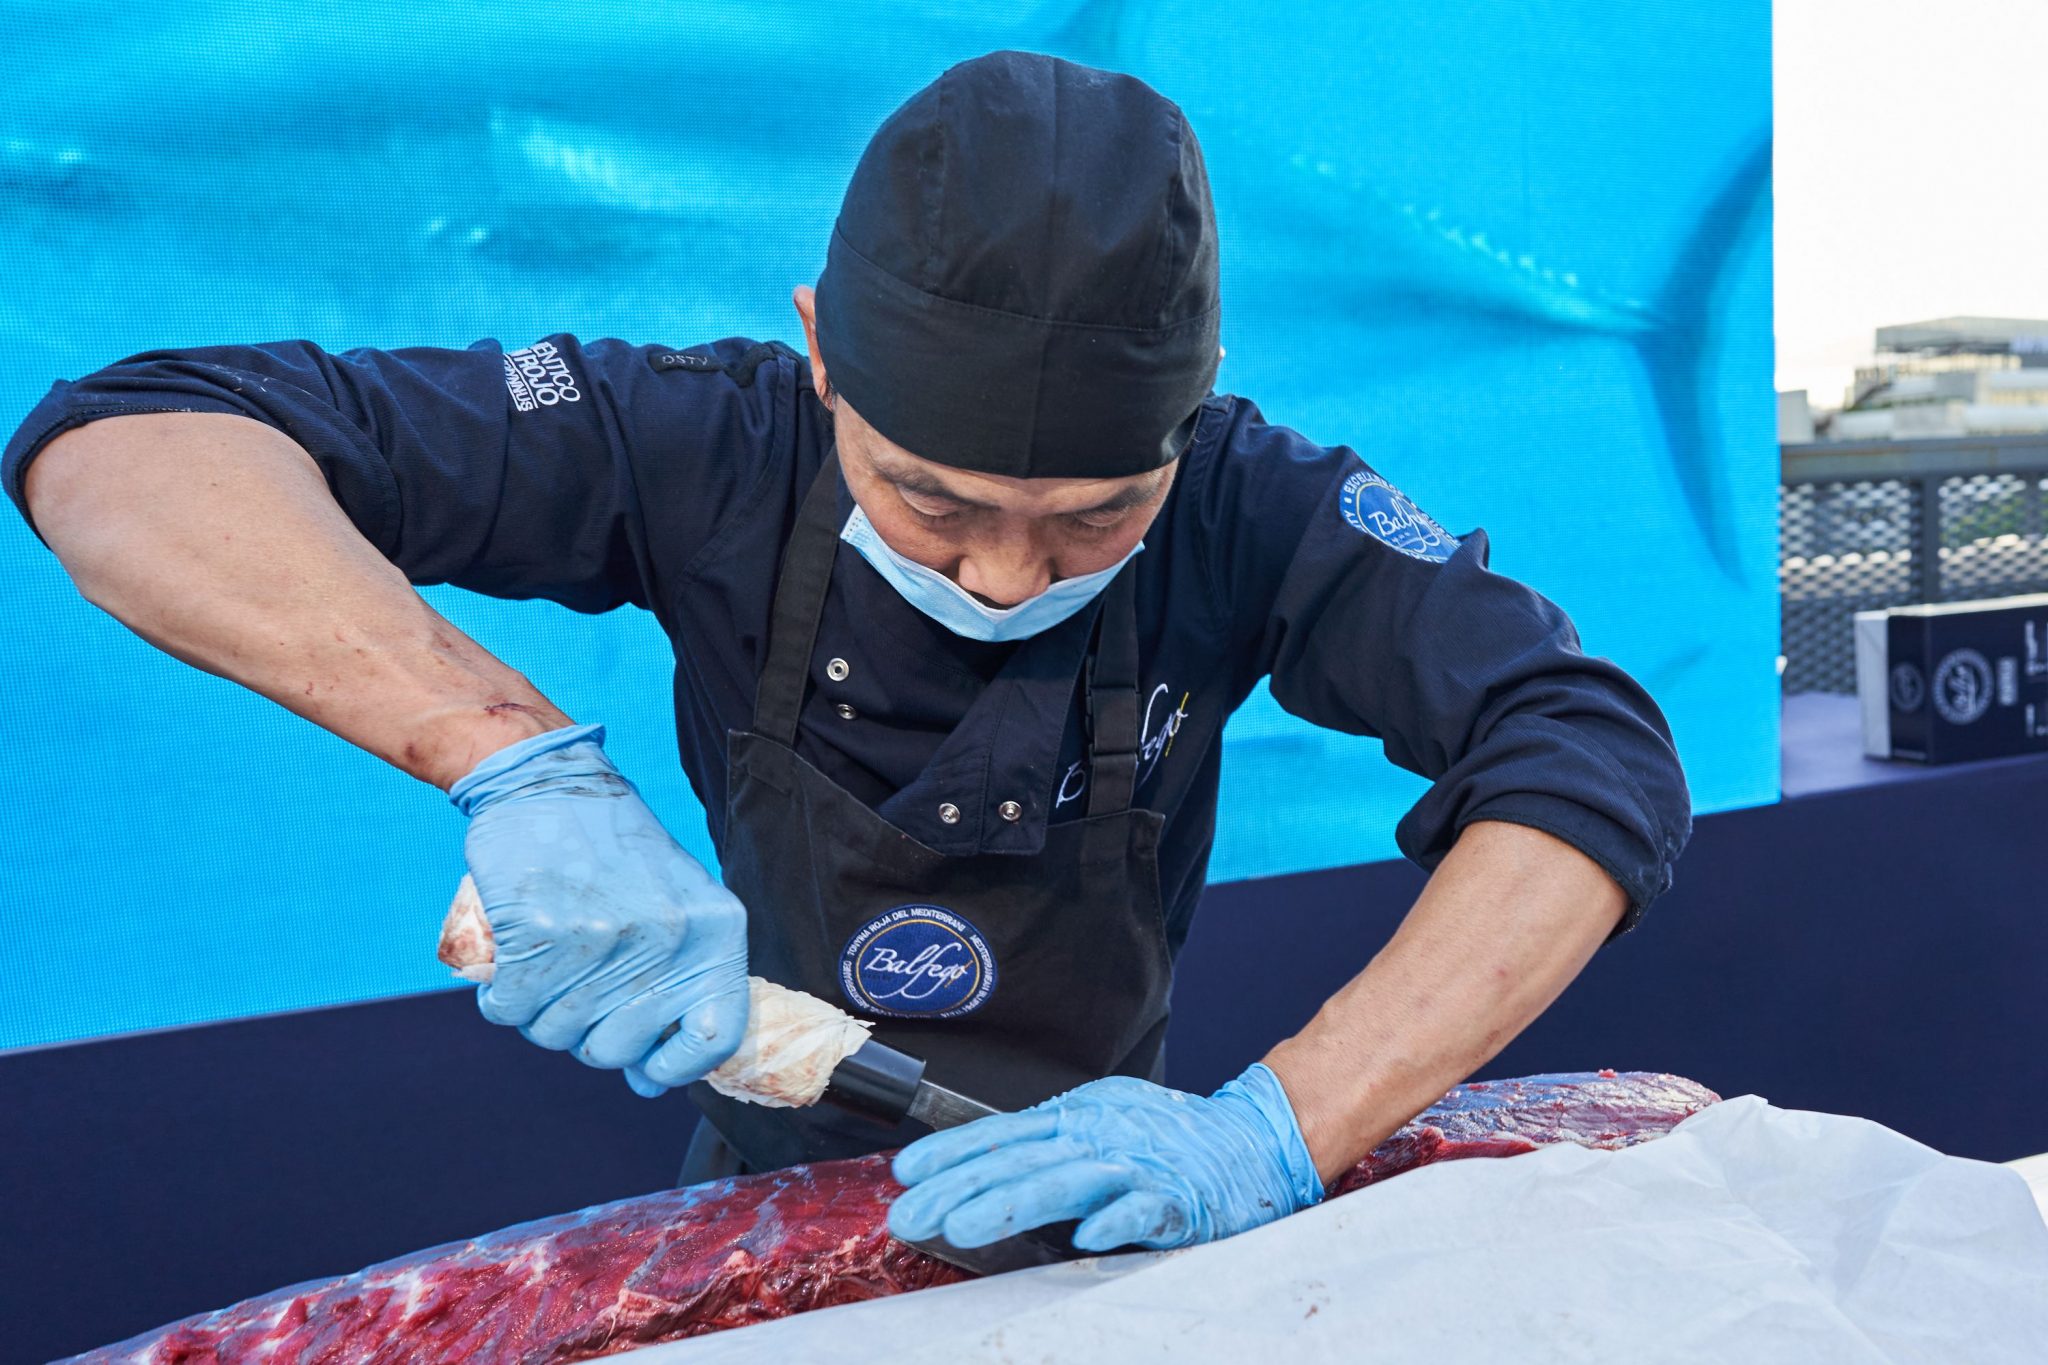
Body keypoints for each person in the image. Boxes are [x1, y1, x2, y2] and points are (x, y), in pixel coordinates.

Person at [4, 51, 1689, 1256]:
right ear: (821, 355)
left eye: (1097, 514)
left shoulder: (1262, 505)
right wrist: (507, 753)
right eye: (933, 498)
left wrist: (1281, 1126)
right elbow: (131, 440)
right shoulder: (692, 442)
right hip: (750, 1179)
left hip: (1128, 1187)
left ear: (1195, 412)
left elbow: (1588, 749)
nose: (1004, 568)